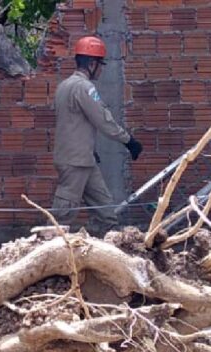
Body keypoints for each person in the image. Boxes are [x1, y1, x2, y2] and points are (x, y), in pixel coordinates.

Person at [51, 35, 142, 235]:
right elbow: (103, 119)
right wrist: (129, 141)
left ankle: (102, 249)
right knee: (62, 215)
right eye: (100, 64)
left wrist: (90, 149)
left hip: (84, 159)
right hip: (75, 161)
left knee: (106, 211)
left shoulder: (64, 86)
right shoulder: (84, 88)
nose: (101, 69)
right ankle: (46, 249)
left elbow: (73, 124)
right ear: (92, 64)